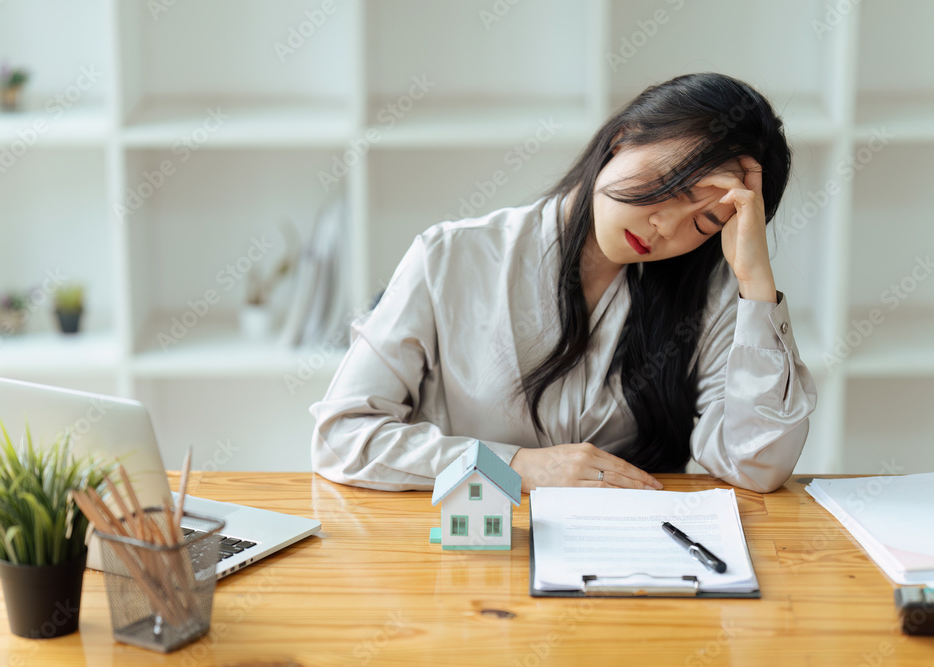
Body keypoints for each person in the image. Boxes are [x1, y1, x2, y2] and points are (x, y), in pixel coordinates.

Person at [310, 72, 817, 494]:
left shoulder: (712, 297)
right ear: (624, 138)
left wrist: (755, 283)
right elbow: (343, 437)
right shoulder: (451, 257)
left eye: (704, 224)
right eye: (674, 185)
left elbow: (757, 466)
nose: (668, 226)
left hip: (627, 567)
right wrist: (517, 467)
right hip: (472, 549)